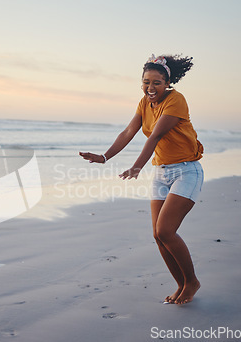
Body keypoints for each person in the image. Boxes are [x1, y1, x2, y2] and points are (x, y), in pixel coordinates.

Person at [80, 54, 203, 305]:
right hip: (161, 172)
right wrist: (104, 157)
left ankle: (191, 281)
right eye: (146, 82)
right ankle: (181, 284)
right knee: (158, 235)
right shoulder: (143, 103)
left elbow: (155, 136)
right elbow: (129, 131)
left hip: (186, 171)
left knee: (165, 230)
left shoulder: (176, 100)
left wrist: (136, 167)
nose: (150, 87)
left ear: (168, 82)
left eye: (157, 82)